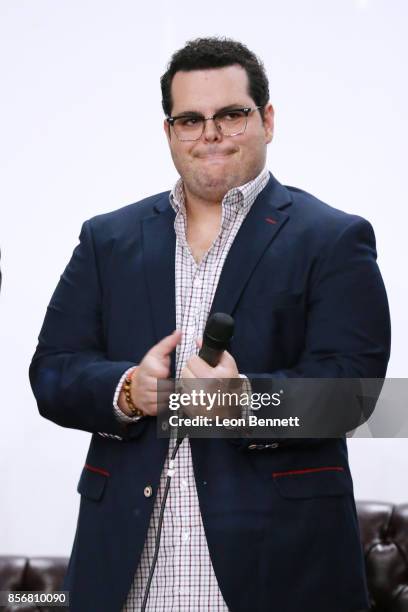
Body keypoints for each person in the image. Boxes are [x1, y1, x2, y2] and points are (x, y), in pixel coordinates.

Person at [29, 37, 390, 612]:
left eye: (231, 114)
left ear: (267, 120)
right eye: (190, 119)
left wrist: (246, 402)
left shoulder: (332, 238)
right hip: (127, 564)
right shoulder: (108, 240)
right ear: (169, 131)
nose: (210, 133)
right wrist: (127, 390)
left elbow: (356, 394)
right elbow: (51, 372)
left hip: (277, 568)